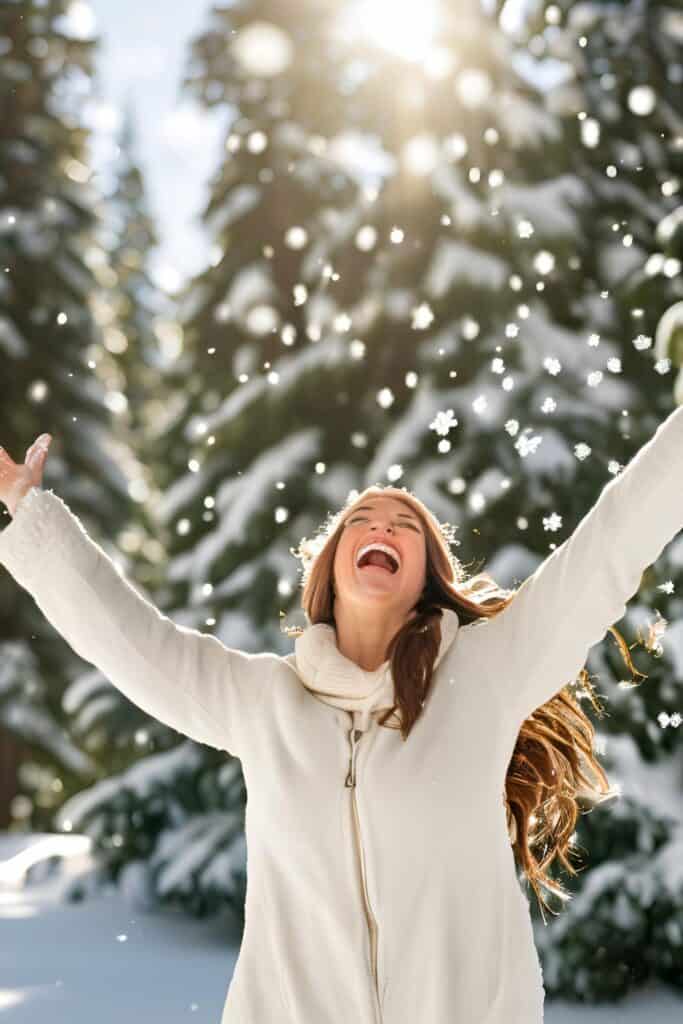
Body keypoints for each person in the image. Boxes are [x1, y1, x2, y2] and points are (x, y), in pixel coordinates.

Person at [1, 406, 682, 1024]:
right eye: (360, 520)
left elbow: (610, 545)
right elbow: (131, 644)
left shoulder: (488, 676)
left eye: (404, 524)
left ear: (424, 579)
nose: (381, 524)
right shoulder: (263, 702)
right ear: (327, 574)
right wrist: (30, 512)